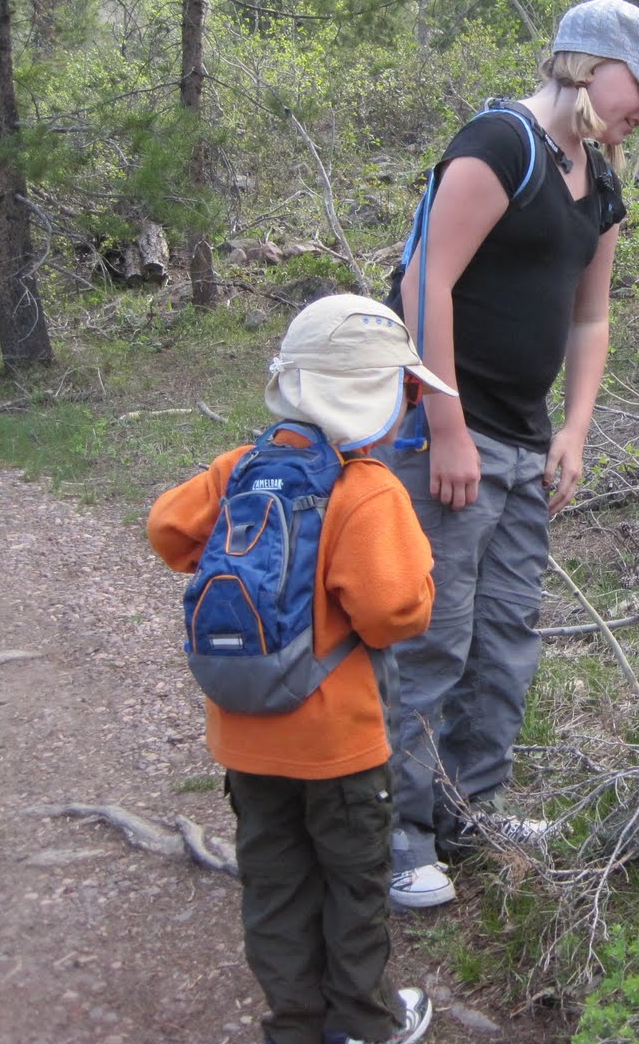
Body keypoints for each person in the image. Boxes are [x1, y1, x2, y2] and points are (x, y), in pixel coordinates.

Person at [380, 0, 639, 905]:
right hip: (449, 433)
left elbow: (590, 315)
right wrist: (444, 425)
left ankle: (468, 813)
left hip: (523, 439)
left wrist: (576, 429)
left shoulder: (600, 180)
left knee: (506, 637)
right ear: (589, 64)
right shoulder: (500, 143)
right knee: (432, 639)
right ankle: (400, 837)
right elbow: (422, 280)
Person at [148, 294, 456, 1044]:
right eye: (409, 393)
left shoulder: (239, 468)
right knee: (351, 888)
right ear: (384, 399)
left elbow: (166, 528)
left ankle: (293, 1024)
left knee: (276, 888)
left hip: (246, 742)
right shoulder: (366, 489)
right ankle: (361, 1025)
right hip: (341, 749)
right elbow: (393, 613)